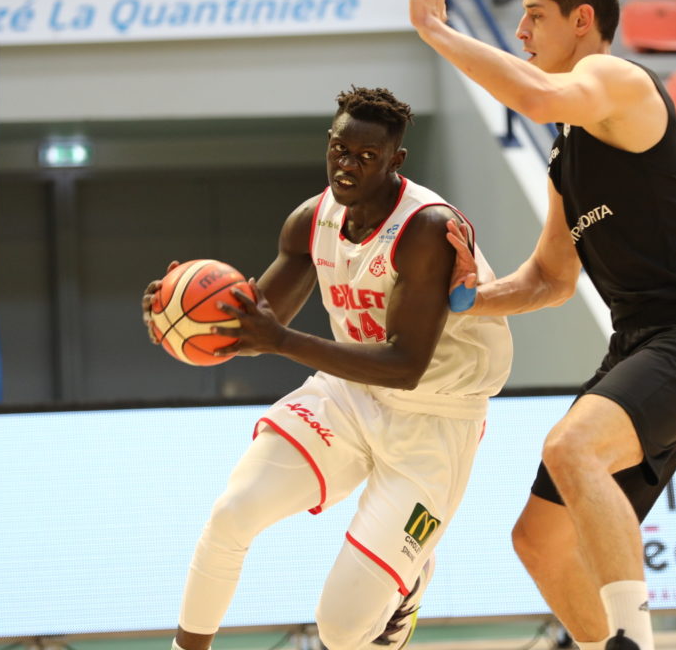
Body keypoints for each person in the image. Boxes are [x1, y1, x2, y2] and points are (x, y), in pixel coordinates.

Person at [411, 0, 676, 650]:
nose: (522, 31)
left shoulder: (617, 80)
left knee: (573, 449)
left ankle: (633, 640)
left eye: (534, 15)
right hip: (641, 345)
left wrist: (438, 32)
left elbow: (533, 95)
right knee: (540, 539)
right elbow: (551, 279)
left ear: (582, 20)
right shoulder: (568, 155)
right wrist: (471, 298)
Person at [145, 87, 513, 650]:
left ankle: (406, 586)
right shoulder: (310, 221)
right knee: (231, 516)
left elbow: (405, 365)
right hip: (346, 395)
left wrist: (282, 341)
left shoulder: (425, 230)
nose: (348, 164)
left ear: (396, 161)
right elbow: (252, 331)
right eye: (341, 149)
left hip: (435, 419)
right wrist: (179, 317)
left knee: (342, 630)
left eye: (367, 156)